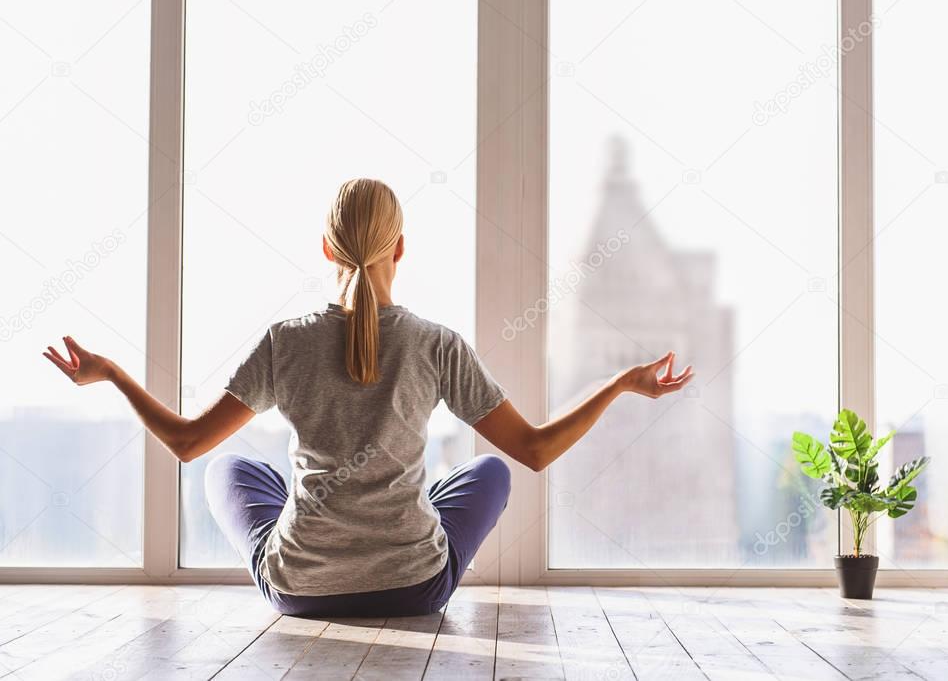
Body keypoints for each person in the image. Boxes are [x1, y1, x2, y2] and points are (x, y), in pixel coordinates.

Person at [43, 177, 694, 617]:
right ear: (400, 249)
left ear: (325, 247)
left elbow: (187, 441)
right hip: (414, 587)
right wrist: (618, 384)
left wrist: (114, 375)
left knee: (229, 467)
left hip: (300, 589)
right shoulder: (436, 344)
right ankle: (406, 525)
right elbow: (533, 450)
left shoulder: (285, 343)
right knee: (488, 468)